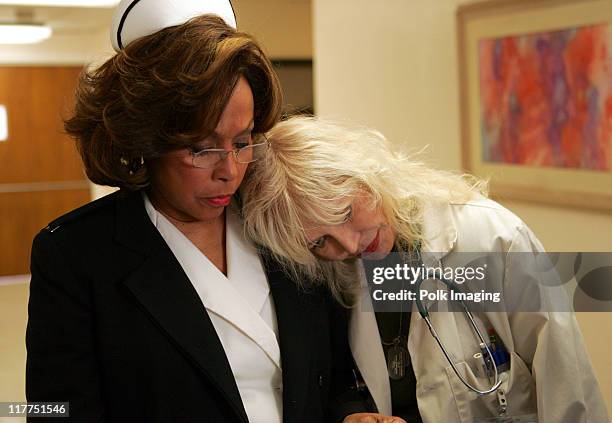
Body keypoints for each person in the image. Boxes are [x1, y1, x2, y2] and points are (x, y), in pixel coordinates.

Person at [26, 2, 371, 422]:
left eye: (243, 142)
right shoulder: (77, 255)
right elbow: (55, 410)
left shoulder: (280, 217)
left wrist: (351, 413)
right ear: (145, 140)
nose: (229, 171)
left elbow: (337, 374)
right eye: (201, 148)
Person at [240, 116, 610, 422]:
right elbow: (344, 383)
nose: (349, 246)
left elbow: (569, 388)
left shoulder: (491, 238)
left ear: (364, 174)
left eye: (345, 213)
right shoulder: (339, 276)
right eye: (320, 241)